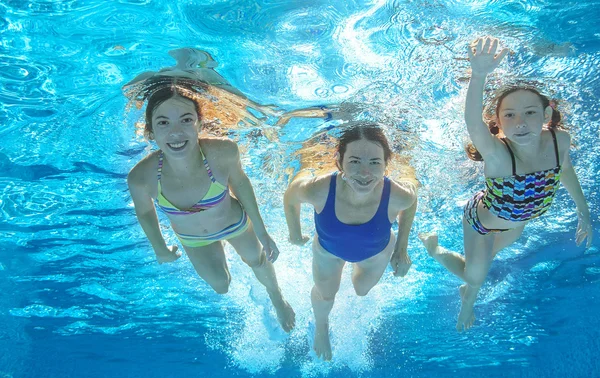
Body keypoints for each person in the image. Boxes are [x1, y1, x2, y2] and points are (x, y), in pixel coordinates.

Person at [419, 37, 593, 332]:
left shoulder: (558, 140)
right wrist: (479, 75)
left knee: (480, 264)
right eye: (510, 115)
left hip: (517, 225)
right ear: (498, 123)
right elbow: (473, 123)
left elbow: (565, 171)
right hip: (481, 222)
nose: (521, 122)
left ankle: (465, 271)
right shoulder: (498, 154)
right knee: (475, 277)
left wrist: (583, 213)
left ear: (546, 116)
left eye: (530, 113)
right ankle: (455, 283)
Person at [126, 79, 296, 332]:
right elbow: (144, 212)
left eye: (186, 120)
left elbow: (242, 186)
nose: (176, 132)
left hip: (234, 223)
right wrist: (159, 248)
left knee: (257, 261)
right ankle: (221, 254)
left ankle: (277, 298)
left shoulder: (222, 153)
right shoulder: (142, 176)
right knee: (221, 285)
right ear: (150, 131)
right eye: (163, 123)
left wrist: (262, 232)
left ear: (200, 124)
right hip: (193, 238)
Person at [283, 123, 418, 360]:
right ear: (339, 162)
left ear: (387, 164)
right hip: (328, 252)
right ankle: (321, 327)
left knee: (361, 290)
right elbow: (291, 195)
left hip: (376, 253)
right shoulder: (320, 189)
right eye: (355, 161)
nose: (365, 173)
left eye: (375, 163)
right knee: (326, 294)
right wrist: (294, 232)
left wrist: (401, 249)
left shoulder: (398, 194)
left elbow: (411, 201)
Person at [123, 48, 279, 136]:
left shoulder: (152, 78)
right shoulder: (207, 82)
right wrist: (259, 109)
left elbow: (128, 91)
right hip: (195, 86)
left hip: (189, 85)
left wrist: (258, 108)